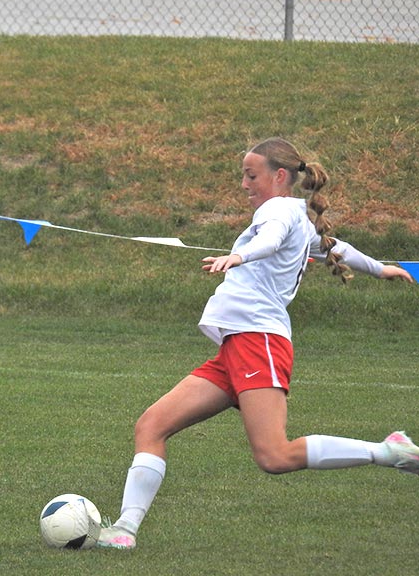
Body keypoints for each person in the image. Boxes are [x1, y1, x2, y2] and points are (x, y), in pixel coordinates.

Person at [98, 137, 416, 550]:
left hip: (258, 341)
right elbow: (334, 249)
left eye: (251, 175)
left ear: (278, 176)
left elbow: (270, 242)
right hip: (237, 346)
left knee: (274, 456)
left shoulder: (278, 211)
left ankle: (388, 451)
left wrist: (240, 256)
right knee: (151, 426)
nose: (244, 184)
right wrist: (382, 269)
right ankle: (124, 530)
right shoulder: (298, 217)